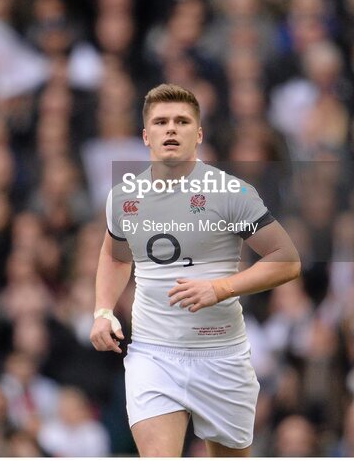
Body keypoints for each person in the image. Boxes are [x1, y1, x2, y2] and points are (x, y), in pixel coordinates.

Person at [90, 83, 301, 456]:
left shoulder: (231, 193)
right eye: (161, 122)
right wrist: (103, 310)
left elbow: (286, 259)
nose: (171, 129)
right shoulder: (124, 197)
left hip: (221, 354)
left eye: (182, 121)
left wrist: (219, 289)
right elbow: (115, 256)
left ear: (198, 134)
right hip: (154, 353)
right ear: (145, 135)